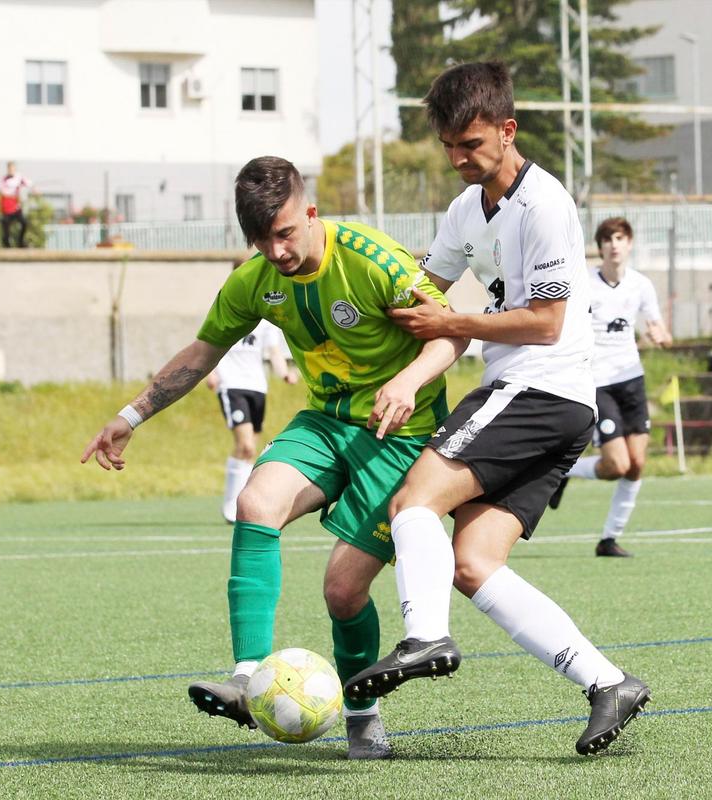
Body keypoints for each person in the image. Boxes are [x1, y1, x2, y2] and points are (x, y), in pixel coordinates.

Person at [80, 156, 466, 760]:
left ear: (310, 213)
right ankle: (246, 674)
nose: (276, 251)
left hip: (402, 432)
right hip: (327, 422)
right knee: (253, 502)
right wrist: (130, 417)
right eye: (261, 240)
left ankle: (363, 718)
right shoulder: (256, 278)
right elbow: (203, 352)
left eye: (284, 233)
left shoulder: (372, 259)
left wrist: (409, 381)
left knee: (342, 592)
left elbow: (451, 333)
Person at [343, 62, 650, 757]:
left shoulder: (546, 205)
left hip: (537, 387)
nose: (458, 158)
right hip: (550, 402)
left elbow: (543, 321)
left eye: (471, 144)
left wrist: (456, 325)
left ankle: (425, 636)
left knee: (413, 503)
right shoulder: (463, 208)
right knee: (474, 562)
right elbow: (424, 288)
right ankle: (608, 682)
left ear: (508, 131)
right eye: (449, 145)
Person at [547, 216, 672, 559]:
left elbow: (656, 325)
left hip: (631, 380)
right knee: (615, 465)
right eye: (608, 239)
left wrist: (660, 335)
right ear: (600, 247)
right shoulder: (584, 283)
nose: (614, 244)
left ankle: (609, 539)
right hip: (597, 381)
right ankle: (564, 470)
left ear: (629, 244)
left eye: (620, 238)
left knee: (636, 465)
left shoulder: (641, 285)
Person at [206, 317, 297, 523]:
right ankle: (231, 504)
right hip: (231, 384)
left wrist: (284, 374)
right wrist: (210, 372)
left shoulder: (267, 321)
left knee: (251, 452)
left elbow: (274, 352)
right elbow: (211, 343)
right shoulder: (229, 312)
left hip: (257, 387)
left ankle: (242, 503)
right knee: (245, 446)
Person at [0, 162, 32, 248]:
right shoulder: (4, 179)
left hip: (16, 206)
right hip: (7, 205)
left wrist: (25, 185)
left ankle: (21, 242)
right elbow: (3, 191)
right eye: (10, 168)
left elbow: (28, 183)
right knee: (6, 226)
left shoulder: (19, 177)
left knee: (24, 223)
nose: (11, 170)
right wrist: (13, 189)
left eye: (13, 168)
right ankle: (6, 243)